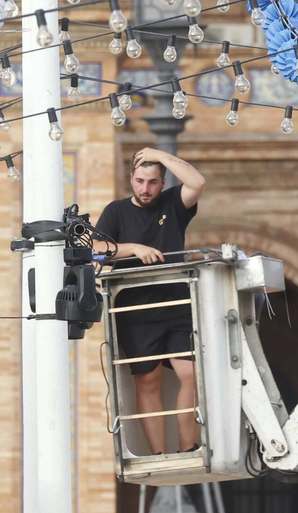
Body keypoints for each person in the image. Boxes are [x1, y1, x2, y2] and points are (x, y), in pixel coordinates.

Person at [93, 146, 209, 455]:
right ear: (131, 179)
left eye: (153, 182)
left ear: (163, 182)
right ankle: (158, 453)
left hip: (176, 303)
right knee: (148, 380)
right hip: (135, 308)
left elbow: (197, 183)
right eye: (140, 181)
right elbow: (93, 248)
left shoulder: (173, 203)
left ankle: (188, 447)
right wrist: (132, 248)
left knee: (190, 373)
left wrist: (161, 155)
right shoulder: (116, 211)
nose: (146, 188)